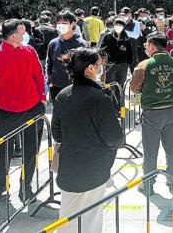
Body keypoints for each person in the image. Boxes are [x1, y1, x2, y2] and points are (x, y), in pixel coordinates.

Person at [52, 47, 122, 233]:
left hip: (69, 165)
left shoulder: (62, 95)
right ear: (90, 69)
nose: (101, 68)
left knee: (67, 215)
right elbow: (114, 137)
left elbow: (57, 134)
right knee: (91, 217)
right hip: (95, 166)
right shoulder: (100, 97)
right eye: (99, 65)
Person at [0, 19, 46, 203]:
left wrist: (42, 98)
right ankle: (0, 186)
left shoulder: (29, 51)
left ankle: (26, 188)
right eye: (22, 31)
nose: (25, 34)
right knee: (3, 151)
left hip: (33, 109)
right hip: (8, 112)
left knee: (31, 151)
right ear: (11, 36)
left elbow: (38, 75)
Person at [130, 32, 173, 195]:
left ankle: (148, 184)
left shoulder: (143, 65)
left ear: (151, 45)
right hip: (171, 111)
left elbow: (134, 88)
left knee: (150, 151)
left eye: (146, 45)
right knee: (171, 148)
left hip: (152, 113)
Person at [46, 10, 87, 101]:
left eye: (64, 23)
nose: (61, 25)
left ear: (72, 24)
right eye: (59, 23)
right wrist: (50, 80)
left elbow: (85, 67)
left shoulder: (81, 44)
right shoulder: (53, 43)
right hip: (56, 86)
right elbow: (49, 63)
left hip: (75, 87)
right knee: (57, 112)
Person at [100, 18, 133, 108]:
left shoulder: (126, 38)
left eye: (121, 25)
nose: (119, 27)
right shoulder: (108, 36)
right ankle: (110, 106)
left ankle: (119, 106)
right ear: (114, 25)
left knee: (120, 85)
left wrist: (130, 65)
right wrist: (104, 60)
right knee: (110, 86)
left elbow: (130, 53)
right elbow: (101, 50)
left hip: (123, 65)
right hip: (110, 65)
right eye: (117, 25)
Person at [121, 7, 142, 72]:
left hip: (133, 50)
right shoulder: (120, 23)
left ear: (130, 14)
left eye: (125, 14)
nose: (124, 16)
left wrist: (122, 31)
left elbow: (135, 35)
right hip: (121, 50)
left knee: (134, 70)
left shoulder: (136, 23)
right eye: (122, 15)